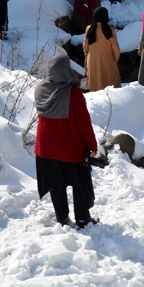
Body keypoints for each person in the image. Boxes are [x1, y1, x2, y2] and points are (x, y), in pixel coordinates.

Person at [34, 50, 100, 228]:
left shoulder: (40, 89)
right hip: (70, 149)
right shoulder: (73, 93)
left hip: (45, 149)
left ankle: (62, 218)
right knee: (79, 184)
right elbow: (84, 124)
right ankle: (83, 218)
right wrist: (92, 146)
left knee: (56, 185)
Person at [83, 7, 121, 91]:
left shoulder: (89, 29)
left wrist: (88, 56)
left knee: (95, 85)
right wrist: (114, 60)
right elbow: (116, 48)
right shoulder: (110, 30)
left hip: (92, 60)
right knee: (110, 86)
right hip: (107, 60)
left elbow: (85, 46)